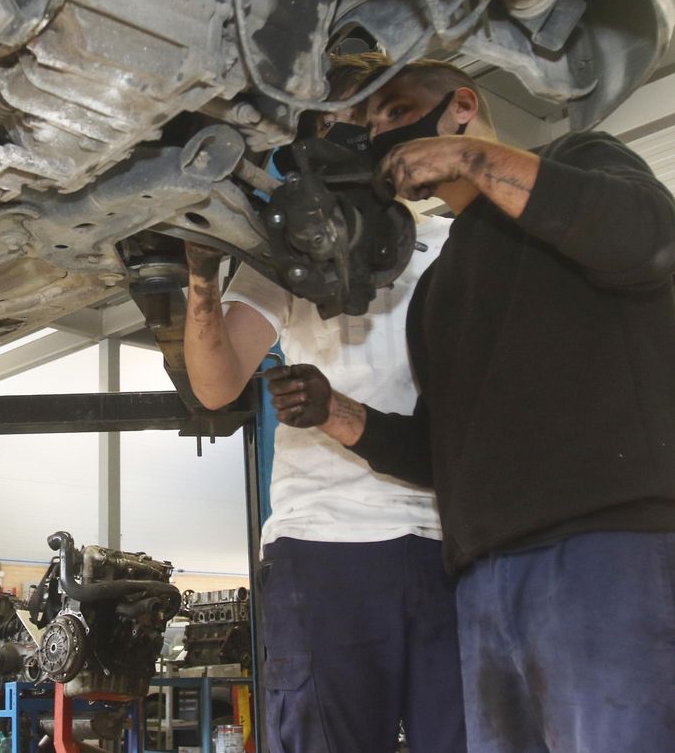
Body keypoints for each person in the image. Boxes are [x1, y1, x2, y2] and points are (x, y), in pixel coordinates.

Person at [265, 59, 675, 753]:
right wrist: (336, 412)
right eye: (371, 127)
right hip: (486, 584)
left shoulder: (582, 161)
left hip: (613, 555)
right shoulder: (440, 287)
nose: (380, 136)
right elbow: (440, 451)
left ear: (461, 106)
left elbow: (648, 238)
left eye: (396, 112)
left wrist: (472, 159)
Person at [183, 53, 465, 752]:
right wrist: (197, 279)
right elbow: (216, 387)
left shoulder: (452, 244)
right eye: (331, 119)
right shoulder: (282, 258)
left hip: (449, 543)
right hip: (326, 545)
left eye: (367, 117)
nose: (348, 135)